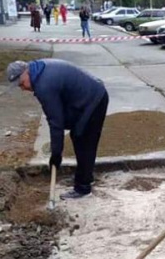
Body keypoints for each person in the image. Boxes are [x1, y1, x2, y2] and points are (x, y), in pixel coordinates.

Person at [6, 59, 109, 199]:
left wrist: (56, 155)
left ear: (26, 73)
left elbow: (56, 123)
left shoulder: (44, 86)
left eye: (21, 84)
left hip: (94, 100)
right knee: (78, 135)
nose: (23, 89)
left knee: (83, 141)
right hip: (86, 98)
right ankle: (85, 176)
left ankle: (83, 188)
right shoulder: (39, 70)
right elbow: (57, 117)